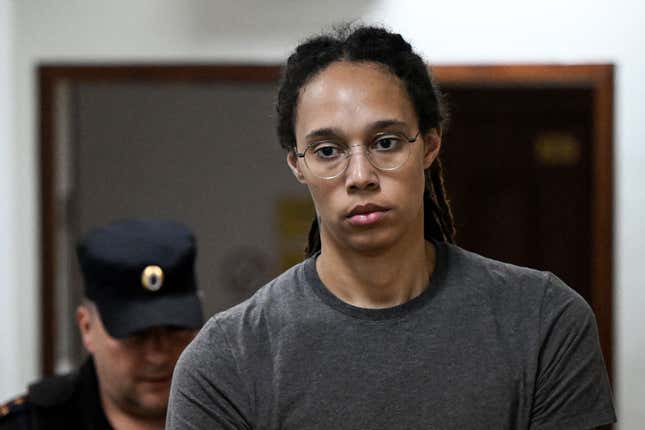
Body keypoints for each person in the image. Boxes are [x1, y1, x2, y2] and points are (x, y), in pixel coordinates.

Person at [167, 26, 616, 429]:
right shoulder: (227, 359)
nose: (360, 174)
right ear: (296, 166)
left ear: (429, 146)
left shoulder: (542, 321)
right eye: (327, 150)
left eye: (386, 142)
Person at [0, 219, 204, 429]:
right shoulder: (30, 425)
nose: (157, 356)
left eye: (174, 329)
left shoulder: (232, 414)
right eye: (136, 335)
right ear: (86, 327)